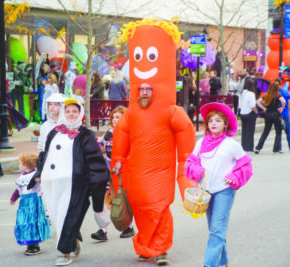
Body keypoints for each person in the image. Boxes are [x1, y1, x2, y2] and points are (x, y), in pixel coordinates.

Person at [111, 18, 195, 266]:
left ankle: (159, 248)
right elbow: (121, 136)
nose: (144, 92)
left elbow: (186, 140)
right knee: (140, 208)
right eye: (142, 90)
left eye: (149, 89)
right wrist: (116, 163)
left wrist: (186, 173)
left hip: (161, 171)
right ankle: (146, 246)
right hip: (135, 172)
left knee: (158, 208)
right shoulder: (131, 113)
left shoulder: (171, 111)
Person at [34, 98, 109, 266]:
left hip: (77, 184)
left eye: (74, 111)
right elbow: (46, 155)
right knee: (58, 216)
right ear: (63, 113)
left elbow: (96, 162)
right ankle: (72, 239)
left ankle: (64, 251)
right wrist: (39, 172)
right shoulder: (55, 132)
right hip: (54, 184)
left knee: (69, 215)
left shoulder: (85, 135)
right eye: (68, 111)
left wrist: (98, 183)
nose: (71, 114)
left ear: (80, 113)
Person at [185, 102, 253, 267]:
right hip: (206, 192)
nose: (214, 124)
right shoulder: (200, 142)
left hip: (224, 191)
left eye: (218, 121)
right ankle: (223, 261)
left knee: (217, 230)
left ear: (225, 125)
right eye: (210, 121)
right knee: (214, 230)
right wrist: (197, 170)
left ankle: (210, 265)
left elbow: (246, 166)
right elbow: (190, 162)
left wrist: (234, 176)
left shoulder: (232, 145)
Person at [91, 105, 135, 241]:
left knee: (122, 199)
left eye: (118, 117)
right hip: (107, 171)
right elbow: (102, 147)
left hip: (122, 172)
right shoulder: (109, 133)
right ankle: (103, 229)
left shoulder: (129, 133)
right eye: (113, 117)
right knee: (105, 199)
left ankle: (129, 226)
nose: (115, 119)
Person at [10, 152, 51, 255]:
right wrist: (13, 198)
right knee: (25, 223)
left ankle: (35, 246)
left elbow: (43, 181)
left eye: (20, 163)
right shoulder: (21, 177)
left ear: (26, 165)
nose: (19, 165)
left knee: (33, 222)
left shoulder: (35, 175)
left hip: (34, 203)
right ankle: (29, 243)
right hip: (24, 204)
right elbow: (18, 189)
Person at [255, 82, 286, 154]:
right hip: (276, 114)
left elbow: (258, 102)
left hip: (268, 114)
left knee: (265, 132)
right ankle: (276, 149)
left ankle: (258, 148)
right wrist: (282, 108)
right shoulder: (278, 94)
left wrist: (263, 108)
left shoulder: (267, 94)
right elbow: (283, 101)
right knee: (278, 132)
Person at [239, 79, 257, 152]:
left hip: (243, 112)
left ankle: (244, 146)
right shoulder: (251, 94)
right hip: (249, 113)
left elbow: (239, 105)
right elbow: (252, 105)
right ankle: (249, 146)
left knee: (244, 131)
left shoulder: (242, 93)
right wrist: (256, 112)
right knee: (250, 131)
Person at [277, 80, 290, 151]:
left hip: (278, 114)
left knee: (278, 132)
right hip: (286, 114)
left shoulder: (275, 93)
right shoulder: (286, 92)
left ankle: (279, 148)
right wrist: (288, 111)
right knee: (288, 131)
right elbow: (289, 104)